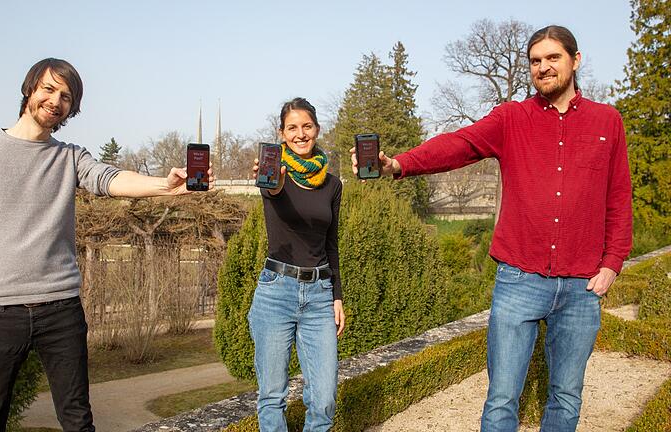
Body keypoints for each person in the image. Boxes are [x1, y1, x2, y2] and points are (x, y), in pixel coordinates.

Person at [352, 26, 632, 432]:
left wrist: (612, 264)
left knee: (567, 397)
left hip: (580, 283)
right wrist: (398, 164)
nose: (543, 67)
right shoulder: (511, 118)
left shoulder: (607, 121)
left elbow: (618, 198)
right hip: (519, 279)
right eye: (536, 61)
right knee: (502, 399)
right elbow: (458, 144)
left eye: (553, 58)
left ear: (576, 60)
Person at [0, 58, 214, 432]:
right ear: (29, 88)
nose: (56, 100)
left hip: (61, 310)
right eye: (49, 89)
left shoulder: (69, 157)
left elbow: (110, 179)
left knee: (78, 422)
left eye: (66, 97)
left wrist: (165, 184)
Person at [248, 97, 345, 431]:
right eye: (293, 127)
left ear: (316, 129)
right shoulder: (273, 174)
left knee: (324, 398)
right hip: (277, 292)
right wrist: (270, 179)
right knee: (272, 397)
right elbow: (274, 192)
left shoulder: (333, 184)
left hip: (319, 294)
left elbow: (330, 241)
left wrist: (337, 296)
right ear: (282, 133)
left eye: (307, 126)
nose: (300, 134)